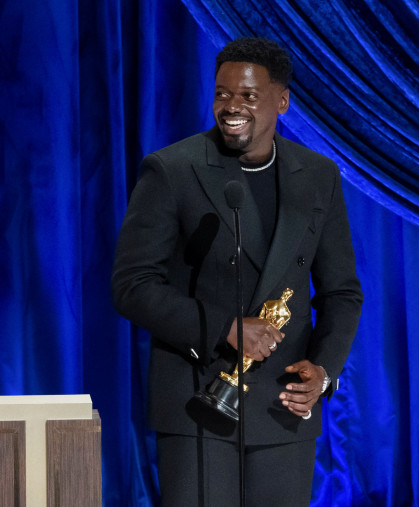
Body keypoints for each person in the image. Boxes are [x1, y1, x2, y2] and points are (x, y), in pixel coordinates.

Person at [112, 37, 363, 506]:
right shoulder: (173, 170)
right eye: (223, 94)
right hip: (197, 402)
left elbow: (342, 293)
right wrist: (225, 328)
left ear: (281, 101)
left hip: (283, 405)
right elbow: (132, 285)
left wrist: (324, 371)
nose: (232, 107)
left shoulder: (318, 176)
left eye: (248, 95)